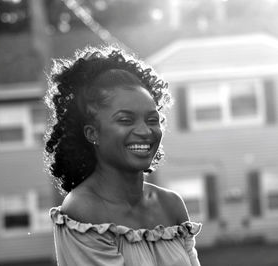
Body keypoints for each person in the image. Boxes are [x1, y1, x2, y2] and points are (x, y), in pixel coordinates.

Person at [44, 45, 202, 266]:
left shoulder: (171, 204)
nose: (145, 131)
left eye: (152, 120)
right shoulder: (84, 210)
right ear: (93, 133)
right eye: (125, 120)